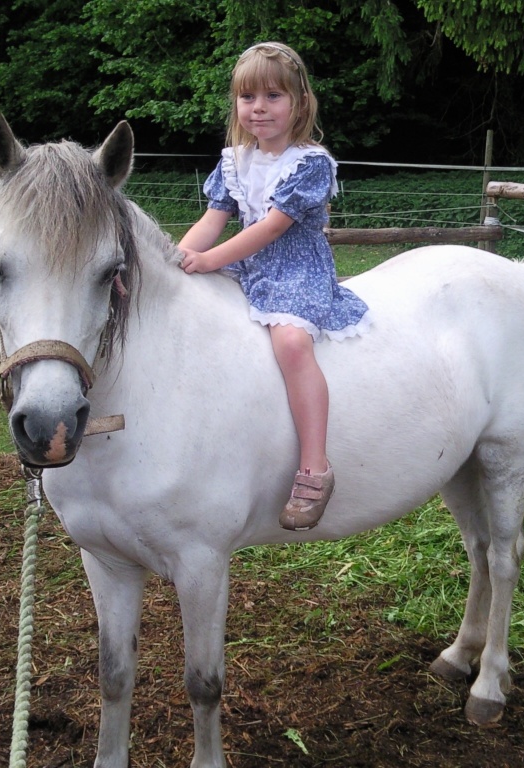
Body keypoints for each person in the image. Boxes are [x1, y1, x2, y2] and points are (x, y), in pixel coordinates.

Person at [178, 41, 371, 531]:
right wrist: (175, 259)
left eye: (272, 96)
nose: (258, 108)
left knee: (291, 343)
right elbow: (212, 220)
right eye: (247, 97)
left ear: (299, 103)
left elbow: (269, 229)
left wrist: (210, 260)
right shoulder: (234, 160)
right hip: (247, 268)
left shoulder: (310, 163)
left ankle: (315, 468)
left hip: (295, 271)